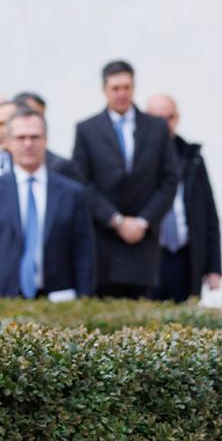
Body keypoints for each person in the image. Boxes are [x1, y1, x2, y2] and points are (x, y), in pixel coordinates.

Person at [72, 60, 180, 298]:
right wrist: (116, 220)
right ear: (104, 89)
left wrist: (142, 221)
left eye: (126, 87)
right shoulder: (87, 130)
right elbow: (82, 183)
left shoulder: (156, 128)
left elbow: (169, 180)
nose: (122, 93)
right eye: (115, 88)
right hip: (104, 240)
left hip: (144, 242)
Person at [0, 107, 94, 299]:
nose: (28, 143)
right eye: (21, 138)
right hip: (3, 300)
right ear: (8, 142)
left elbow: (83, 254)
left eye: (35, 137)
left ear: (45, 140)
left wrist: (84, 299)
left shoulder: (71, 193)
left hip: (59, 302)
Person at [145, 93, 222, 301]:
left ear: (176, 118)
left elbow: (209, 214)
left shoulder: (192, 158)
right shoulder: (138, 159)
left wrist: (214, 268)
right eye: (157, 118)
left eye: (168, 118)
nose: (164, 124)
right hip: (150, 256)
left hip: (185, 257)